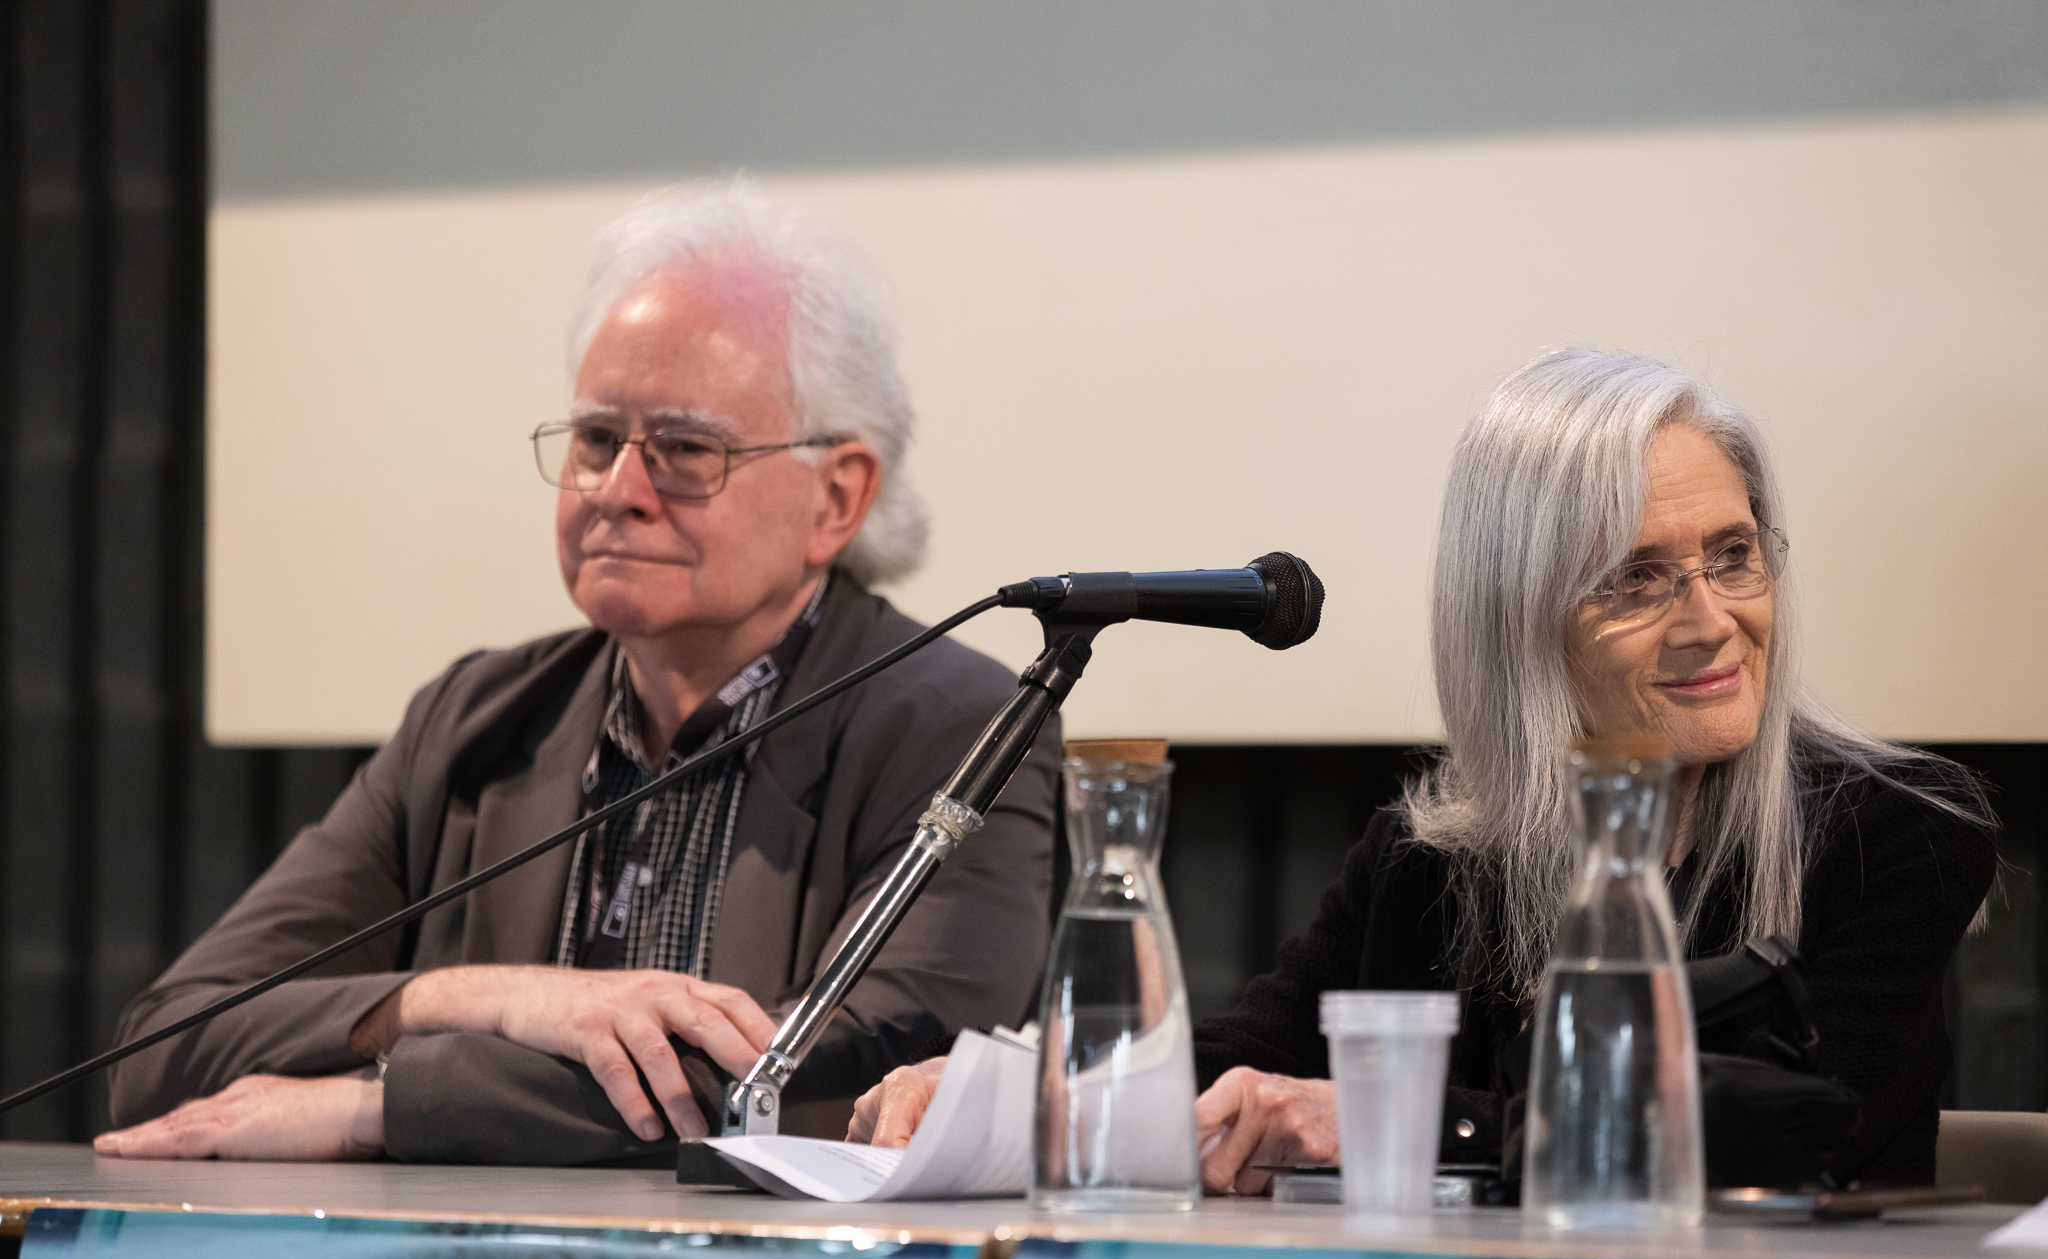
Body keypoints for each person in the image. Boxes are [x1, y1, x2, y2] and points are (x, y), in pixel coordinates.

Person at [849, 348, 1995, 1195]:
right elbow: (1246, 1061)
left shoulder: (1901, 830)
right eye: (1637, 579)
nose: (1709, 620)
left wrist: (1390, 1123)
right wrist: (1028, 1094)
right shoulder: (1431, 855)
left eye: (1732, 557)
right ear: (1518, 620)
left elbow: (1794, 1129)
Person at [97, 186, 1059, 1165]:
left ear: (837, 497)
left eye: (686, 449)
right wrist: (478, 996)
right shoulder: (471, 719)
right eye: (597, 439)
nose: (617, 490)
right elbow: (163, 1047)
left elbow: (838, 1076)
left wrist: (378, 1107)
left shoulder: (963, 727)